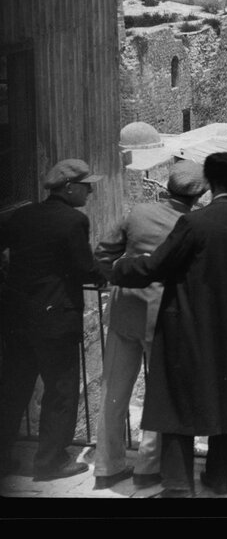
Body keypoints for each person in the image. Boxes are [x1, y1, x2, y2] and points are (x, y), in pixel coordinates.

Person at [112, 152, 227, 498]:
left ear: (210, 183)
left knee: (176, 401)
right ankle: (218, 478)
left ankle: (179, 483)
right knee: (225, 401)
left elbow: (156, 267)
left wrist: (119, 269)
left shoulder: (194, 224)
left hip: (184, 323)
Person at [91, 160, 208, 491]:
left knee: (113, 391)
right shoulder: (192, 223)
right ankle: (146, 467)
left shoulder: (137, 212)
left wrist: (114, 278)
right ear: (199, 193)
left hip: (124, 308)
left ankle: (107, 465)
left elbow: (103, 252)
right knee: (160, 395)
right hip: (163, 316)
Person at [0, 159, 105, 481]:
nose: (90, 191)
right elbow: (85, 268)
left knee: (14, 388)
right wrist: (107, 272)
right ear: (69, 188)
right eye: (86, 186)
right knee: (60, 389)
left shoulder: (22, 215)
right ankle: (50, 462)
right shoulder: (73, 221)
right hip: (56, 318)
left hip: (18, 316)